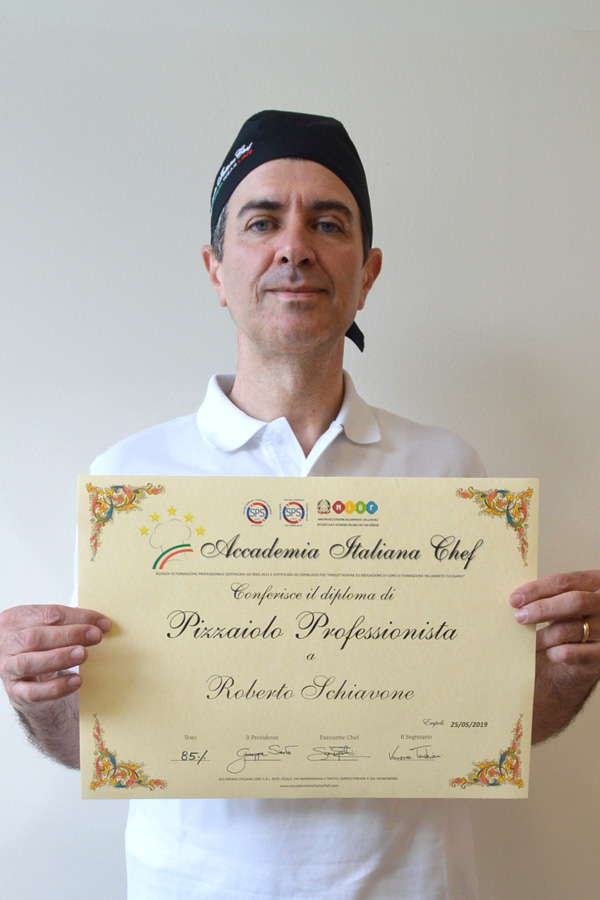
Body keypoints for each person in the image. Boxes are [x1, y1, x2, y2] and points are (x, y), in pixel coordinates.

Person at [1, 110, 599, 899]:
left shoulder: (451, 475)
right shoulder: (132, 482)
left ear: (368, 272)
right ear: (215, 268)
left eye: (327, 221)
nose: (294, 247)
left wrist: (568, 674)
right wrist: (37, 696)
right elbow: (94, 744)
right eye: (261, 222)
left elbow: (497, 727)